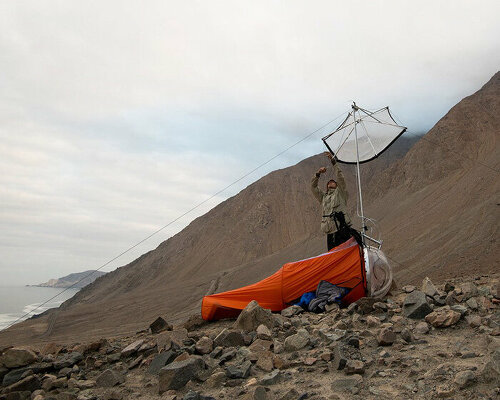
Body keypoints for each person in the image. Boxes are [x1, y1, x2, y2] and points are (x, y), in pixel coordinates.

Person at [311, 152, 352, 250]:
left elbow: (340, 177)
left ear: (337, 185)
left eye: (333, 182)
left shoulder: (340, 193)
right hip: (330, 232)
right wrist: (318, 174)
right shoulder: (324, 197)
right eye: (329, 182)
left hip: (342, 229)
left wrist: (333, 162)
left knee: (344, 254)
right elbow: (313, 187)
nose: (331, 182)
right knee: (333, 256)